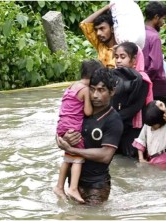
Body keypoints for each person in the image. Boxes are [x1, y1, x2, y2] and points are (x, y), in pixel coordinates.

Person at [56, 67, 123, 205]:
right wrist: (62, 140)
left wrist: (73, 150)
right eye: (92, 89)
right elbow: (60, 132)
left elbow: (105, 155)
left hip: (96, 186)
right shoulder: (80, 110)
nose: (95, 95)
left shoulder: (113, 120)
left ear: (112, 92)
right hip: (73, 182)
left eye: (101, 90)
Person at [53, 60, 102, 203]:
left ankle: (59, 186)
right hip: (73, 127)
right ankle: (73, 188)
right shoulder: (85, 90)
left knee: (67, 157)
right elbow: (87, 111)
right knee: (78, 158)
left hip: (62, 126)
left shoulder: (71, 86)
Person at [142, 1, 166, 109]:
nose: (163, 22)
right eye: (163, 19)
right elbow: (155, 66)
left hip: (143, 82)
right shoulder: (154, 37)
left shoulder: (139, 33)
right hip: (157, 86)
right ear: (156, 17)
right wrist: (147, 79)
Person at [132, 100, 166, 165]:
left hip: (165, 160)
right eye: (151, 125)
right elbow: (141, 141)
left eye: (154, 125)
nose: (152, 127)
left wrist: (165, 110)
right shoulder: (148, 125)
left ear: (161, 120)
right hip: (151, 159)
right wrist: (141, 159)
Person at [80, 4, 116, 68]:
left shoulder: (121, 48)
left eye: (102, 28)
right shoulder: (99, 45)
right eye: (96, 30)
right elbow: (84, 24)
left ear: (112, 29)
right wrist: (106, 7)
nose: (98, 33)